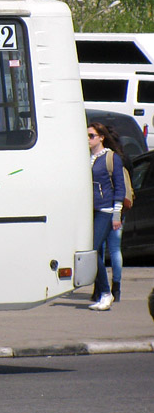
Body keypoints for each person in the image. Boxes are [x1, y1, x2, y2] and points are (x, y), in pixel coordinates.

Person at [88, 122, 126, 311]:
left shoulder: (111, 158)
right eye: (86, 136)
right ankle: (101, 293)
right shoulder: (87, 157)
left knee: (93, 251)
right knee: (93, 252)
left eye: (92, 136)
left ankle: (106, 293)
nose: (88, 139)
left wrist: (116, 214)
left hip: (105, 210)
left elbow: (120, 187)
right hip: (90, 211)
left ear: (101, 137)